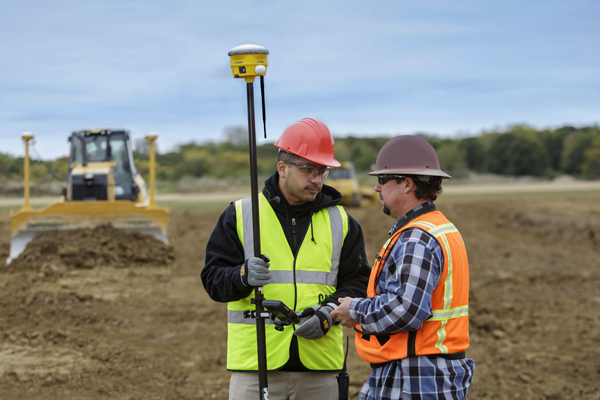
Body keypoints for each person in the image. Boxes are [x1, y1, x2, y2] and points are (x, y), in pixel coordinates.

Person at [202, 118, 371, 400]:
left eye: (323, 171)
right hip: (256, 368)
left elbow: (358, 282)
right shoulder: (241, 215)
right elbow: (212, 280)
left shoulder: (342, 222)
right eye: (308, 170)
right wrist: (241, 276)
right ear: (282, 168)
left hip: (320, 368)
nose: (317, 179)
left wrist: (328, 313)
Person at [330, 135, 475, 400]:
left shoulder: (417, 237)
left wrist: (354, 309)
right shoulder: (436, 227)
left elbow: (407, 309)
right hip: (417, 369)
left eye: (383, 180)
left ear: (407, 184)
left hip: (418, 376)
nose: (376, 188)